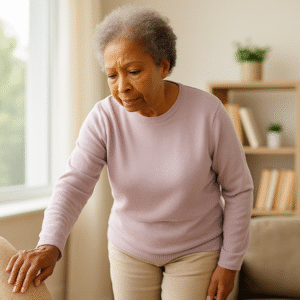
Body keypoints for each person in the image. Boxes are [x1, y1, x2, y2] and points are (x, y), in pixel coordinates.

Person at [5, 5, 254, 300]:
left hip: (197, 249)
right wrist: (49, 244)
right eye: (112, 75)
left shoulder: (208, 112)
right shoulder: (104, 118)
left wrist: (230, 263)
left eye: (133, 71)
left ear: (164, 65)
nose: (122, 86)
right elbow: (74, 184)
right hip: (130, 248)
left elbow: (239, 189)